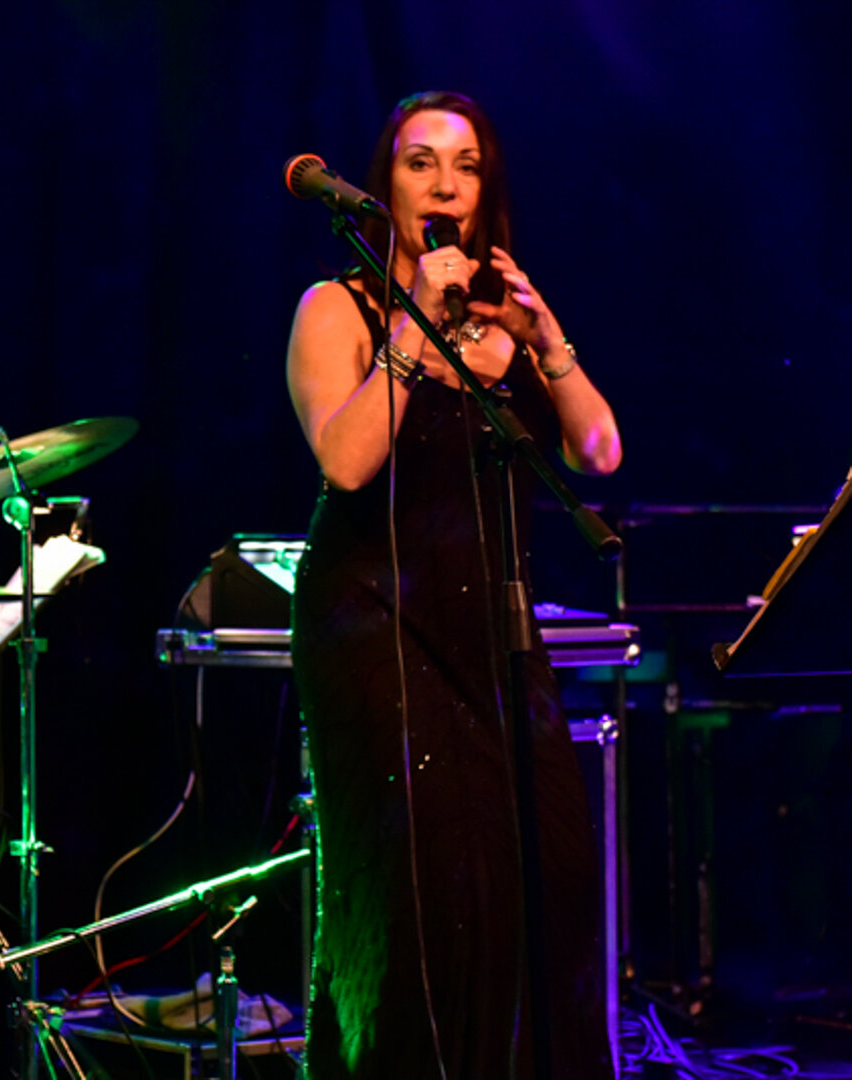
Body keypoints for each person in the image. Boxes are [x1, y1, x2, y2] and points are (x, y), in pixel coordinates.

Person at [285, 91, 622, 1078]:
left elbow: (598, 451)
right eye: (420, 161)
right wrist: (414, 328)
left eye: (465, 165)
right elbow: (347, 463)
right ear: (385, 183)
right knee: (426, 888)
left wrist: (545, 337)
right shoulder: (335, 308)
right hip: (376, 627)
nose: (443, 184)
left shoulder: (501, 327)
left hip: (493, 629)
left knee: (549, 868)